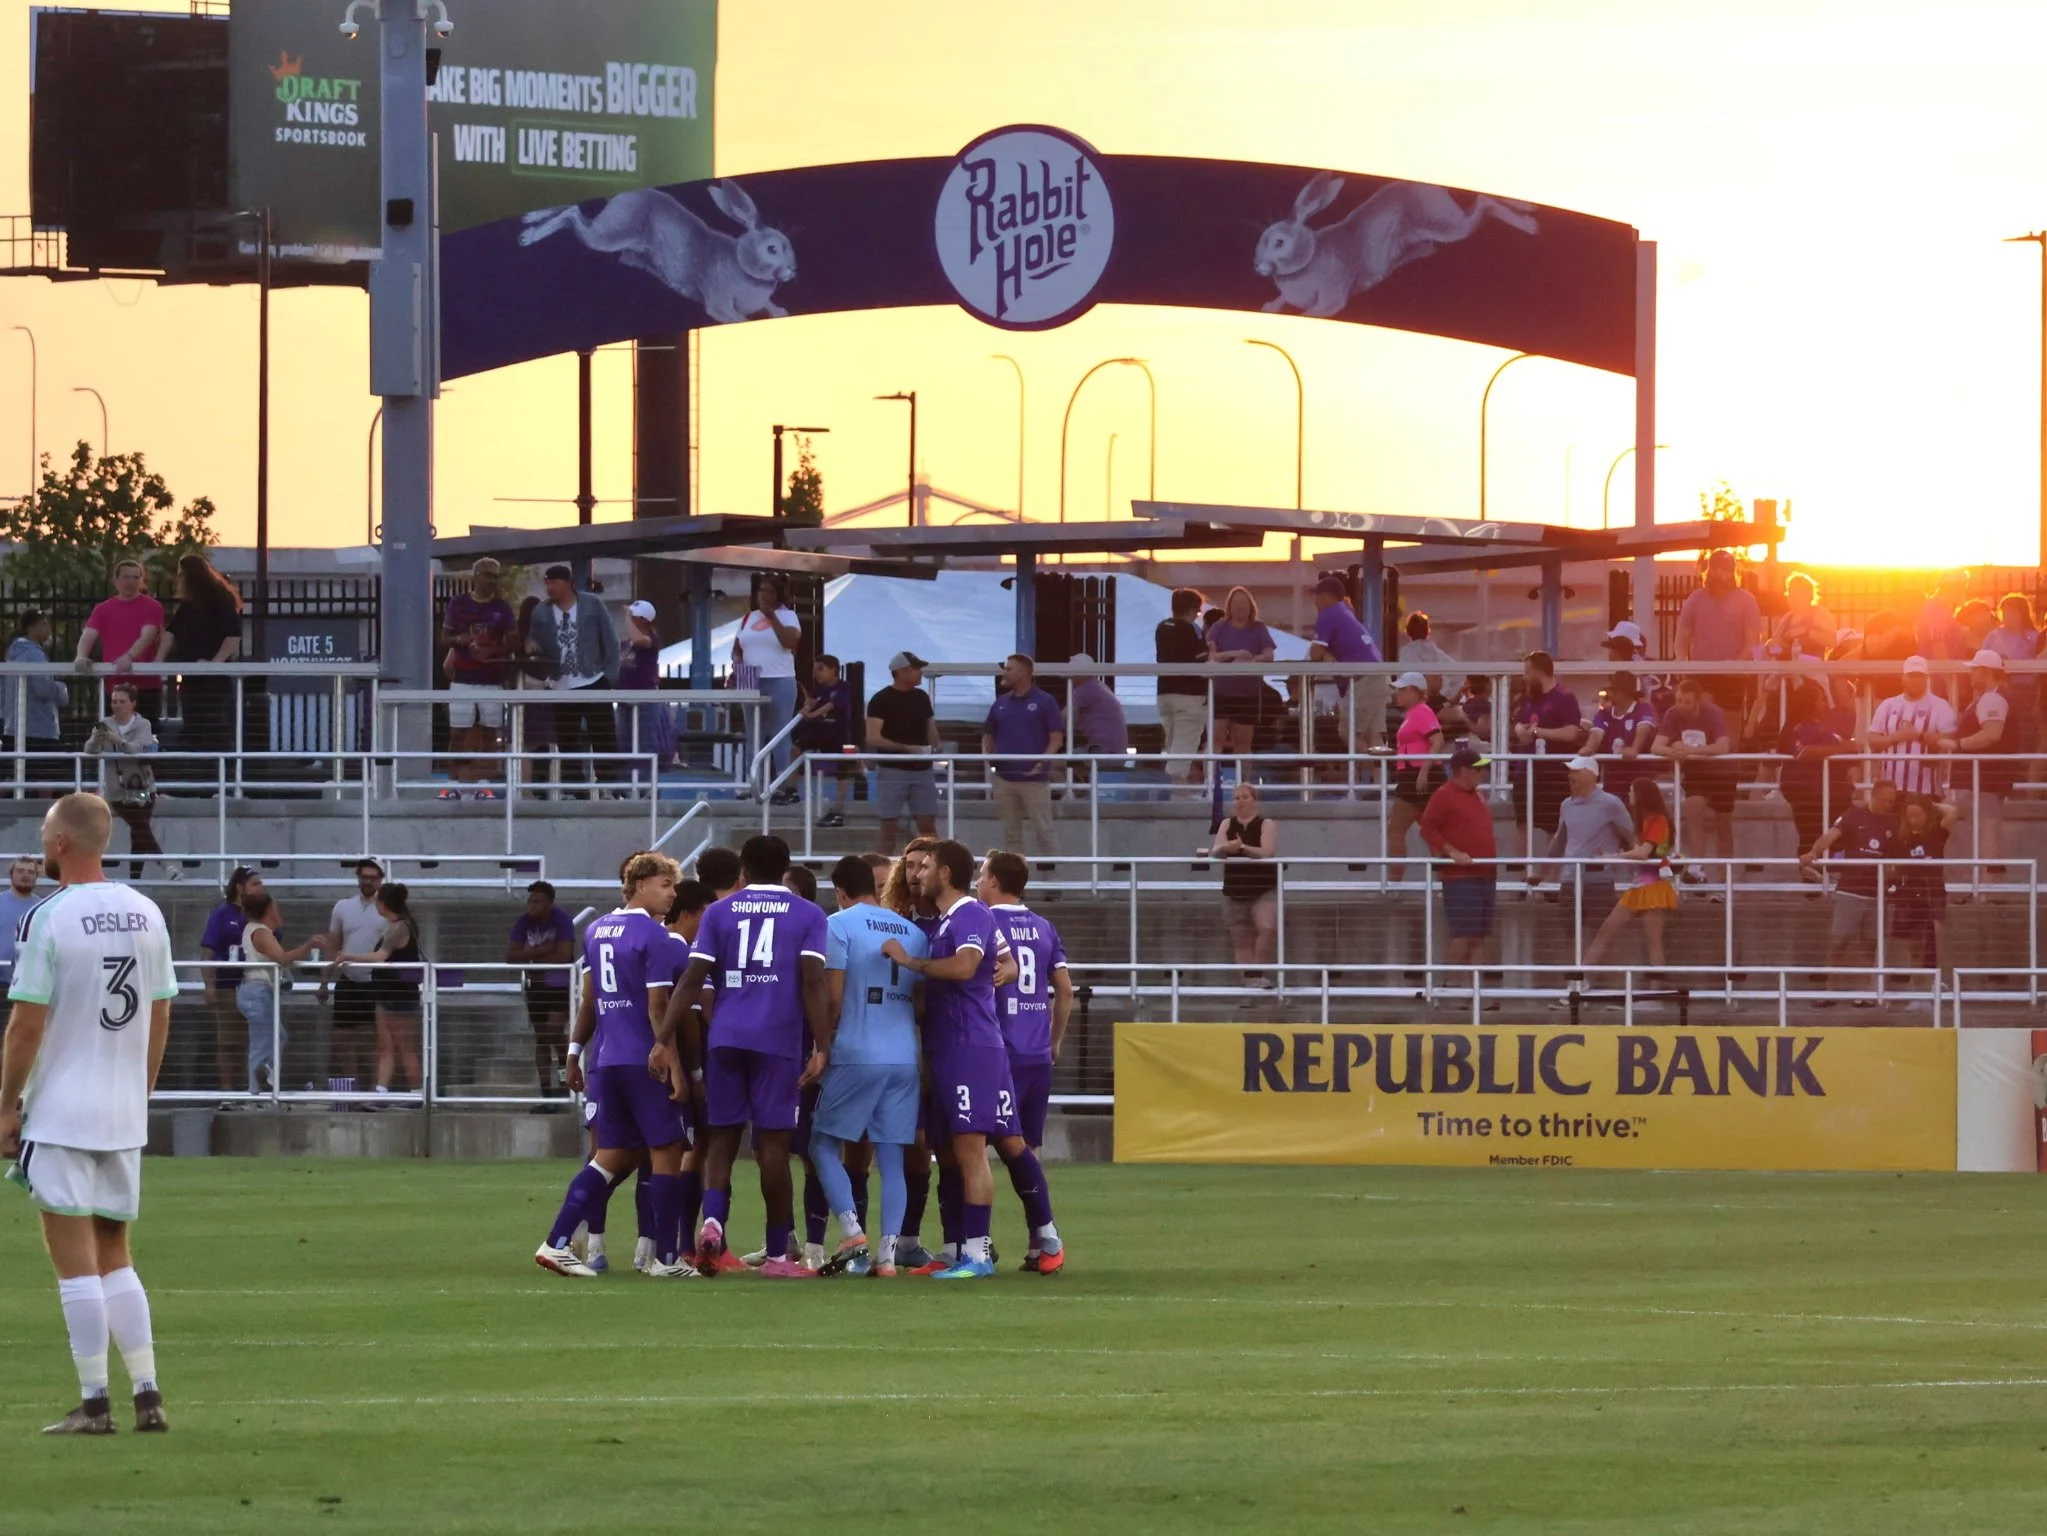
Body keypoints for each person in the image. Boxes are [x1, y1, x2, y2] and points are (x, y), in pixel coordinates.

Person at [0, 792, 178, 1435]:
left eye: (47, 834)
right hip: (122, 1107)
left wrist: (4, 1107)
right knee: (116, 1253)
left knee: (73, 1260)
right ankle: (149, 1393)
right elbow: (160, 1011)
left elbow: (25, 1025)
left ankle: (95, 1403)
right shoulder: (146, 911)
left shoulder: (49, 916)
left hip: (63, 1110)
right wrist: (142, 1089)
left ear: (62, 844)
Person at [881, 839, 1052, 1281]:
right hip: (948, 1046)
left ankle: (978, 1253)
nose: (919, 872)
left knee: (974, 1149)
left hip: (970, 1046)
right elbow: (999, 962)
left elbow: (964, 966)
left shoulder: (971, 913)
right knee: (953, 1151)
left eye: (928, 865)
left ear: (946, 873)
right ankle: (961, 1247)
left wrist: (909, 962)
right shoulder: (943, 920)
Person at [669, 835, 829, 1280]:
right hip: (777, 1041)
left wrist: (663, 1038)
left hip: (726, 1037)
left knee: (721, 1138)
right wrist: (822, 1046)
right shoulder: (809, 914)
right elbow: (813, 982)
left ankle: (714, 1222)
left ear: (743, 869)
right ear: (786, 867)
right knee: (773, 1145)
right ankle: (778, 1254)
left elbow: (692, 978)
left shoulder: (719, 911)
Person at [535, 851, 699, 1279]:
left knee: (608, 1158)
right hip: (644, 1061)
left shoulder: (596, 930)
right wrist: (675, 1066)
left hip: (606, 1060)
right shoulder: (655, 936)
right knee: (667, 1152)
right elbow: (657, 1007)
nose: (673, 894)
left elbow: (590, 1000)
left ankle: (556, 1242)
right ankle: (666, 1259)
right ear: (641, 883)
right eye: (666, 885)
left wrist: (573, 1052)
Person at [808, 855, 928, 1279]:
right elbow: (920, 1000)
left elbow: (834, 995)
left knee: (821, 1144)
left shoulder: (838, 924)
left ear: (840, 892)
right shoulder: (913, 932)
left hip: (857, 1050)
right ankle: (889, 1257)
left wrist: (822, 1046)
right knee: (892, 1156)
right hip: (903, 1054)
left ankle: (852, 1230)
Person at [977, 850, 1072, 1273]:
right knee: (1027, 1148)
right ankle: (1038, 1246)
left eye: (982, 875)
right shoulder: (1044, 926)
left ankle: (976, 1241)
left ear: (995, 881)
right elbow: (1065, 990)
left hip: (1000, 1052)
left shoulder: (983, 922)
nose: (978, 883)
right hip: (1037, 1053)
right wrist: (1054, 1040)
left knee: (975, 1146)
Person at [1528, 756, 1636, 975]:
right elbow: (1559, 841)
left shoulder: (1611, 803)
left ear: (1591, 774)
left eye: (1576, 771)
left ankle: (1610, 994)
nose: (1571, 776)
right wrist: (1541, 874)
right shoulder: (1566, 805)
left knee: (1603, 936)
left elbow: (1631, 837)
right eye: (1570, 772)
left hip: (1599, 880)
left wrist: (1636, 868)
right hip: (1569, 881)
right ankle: (1577, 986)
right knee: (1571, 936)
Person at [524, 564, 621, 797]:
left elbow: (610, 639)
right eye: (547, 582)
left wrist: (610, 676)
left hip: (593, 678)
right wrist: (531, 645)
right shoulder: (541, 611)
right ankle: (575, 787)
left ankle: (608, 785)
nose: (549, 587)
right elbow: (532, 636)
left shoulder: (592, 604)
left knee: (603, 735)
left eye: (554, 582)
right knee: (567, 738)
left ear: (569, 584)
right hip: (560, 683)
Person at [1579, 776, 1679, 990]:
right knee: (1606, 931)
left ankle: (1655, 991)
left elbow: (1643, 853)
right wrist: (1613, 855)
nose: (1629, 796)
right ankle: (1579, 981)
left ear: (1642, 795)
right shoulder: (1645, 821)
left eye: (1632, 792)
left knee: (1653, 941)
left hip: (1654, 887)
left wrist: (1613, 857)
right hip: (1637, 887)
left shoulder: (1658, 820)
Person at [153, 553, 242, 789]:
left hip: (214, 681)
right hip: (192, 679)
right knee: (194, 728)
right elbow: (171, 633)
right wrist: (159, 660)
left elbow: (233, 636)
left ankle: (223, 783)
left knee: (216, 729)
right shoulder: (188, 606)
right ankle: (200, 783)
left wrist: (215, 663)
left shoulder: (220, 600)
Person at [332, 883, 424, 1099]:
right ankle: (380, 1092)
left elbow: (380, 957)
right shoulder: (396, 925)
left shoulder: (399, 927)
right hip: (386, 993)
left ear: (384, 903)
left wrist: (349, 956)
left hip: (400, 995)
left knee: (405, 1047)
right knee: (386, 1045)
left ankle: (417, 1094)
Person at [1419, 744, 1498, 986]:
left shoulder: (1477, 795)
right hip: (1461, 877)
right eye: (1477, 770)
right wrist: (1451, 852)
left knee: (1479, 936)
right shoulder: (1443, 795)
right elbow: (1427, 829)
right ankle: (1451, 987)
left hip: (1485, 874)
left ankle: (1475, 992)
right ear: (1463, 770)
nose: (1482, 774)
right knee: (1464, 934)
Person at [439, 558, 516, 798]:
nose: (491, 581)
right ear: (475, 576)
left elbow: (514, 640)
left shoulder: (502, 607)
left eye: (495, 576)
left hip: (491, 679)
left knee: (490, 732)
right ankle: (453, 782)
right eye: (487, 575)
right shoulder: (458, 604)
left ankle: (485, 782)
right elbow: (444, 638)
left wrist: (492, 651)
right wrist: (461, 640)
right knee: (458, 733)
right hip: (462, 677)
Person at [238, 887, 326, 1095]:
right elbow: (283, 958)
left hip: (259, 991)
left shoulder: (258, 930)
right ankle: (257, 1086)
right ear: (269, 909)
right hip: (256, 992)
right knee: (263, 1040)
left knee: (277, 1036)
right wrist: (309, 945)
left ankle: (267, 1075)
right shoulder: (259, 932)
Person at [1652, 677, 1736, 893]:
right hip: (1696, 773)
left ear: (1698, 701)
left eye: (1687, 702)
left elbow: (1722, 746)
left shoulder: (1714, 713)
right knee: (1692, 808)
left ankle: (1724, 880)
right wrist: (1673, 749)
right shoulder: (1672, 714)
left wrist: (1691, 751)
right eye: (1678, 700)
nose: (1681, 705)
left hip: (1722, 773)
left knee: (1723, 824)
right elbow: (1656, 746)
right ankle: (1698, 867)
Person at [1935, 649, 2017, 869]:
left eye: (1974, 670)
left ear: (1987, 672)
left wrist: (1957, 744)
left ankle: (1988, 891)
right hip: (1979, 782)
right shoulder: (1988, 697)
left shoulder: (1993, 698)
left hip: (1984, 781)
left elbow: (1992, 734)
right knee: (1983, 832)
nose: (1970, 674)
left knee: (1986, 833)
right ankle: (1984, 888)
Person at [982, 654, 1064, 857]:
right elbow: (988, 732)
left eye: (1009, 669)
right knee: (1011, 835)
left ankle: (1056, 884)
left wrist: (1042, 761)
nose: (1005, 673)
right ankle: (1015, 884)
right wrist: (987, 755)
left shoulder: (1045, 701)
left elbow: (1056, 738)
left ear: (1024, 672)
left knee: (1045, 832)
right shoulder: (1000, 703)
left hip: (1034, 780)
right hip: (1004, 779)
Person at [84, 684, 165, 883]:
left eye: (122, 701)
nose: (117, 706)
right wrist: (96, 739)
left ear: (132, 703)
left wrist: (116, 740)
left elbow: (136, 749)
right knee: (140, 826)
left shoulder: (143, 724)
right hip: (117, 789)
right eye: (114, 701)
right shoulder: (106, 722)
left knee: (139, 831)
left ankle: (134, 879)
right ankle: (165, 865)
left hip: (142, 785)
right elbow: (90, 750)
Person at [734, 574, 804, 800]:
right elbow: (739, 646)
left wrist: (772, 616)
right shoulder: (748, 618)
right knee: (754, 734)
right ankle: (754, 782)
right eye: (761, 590)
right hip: (750, 678)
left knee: (779, 733)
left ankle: (782, 783)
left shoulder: (788, 616)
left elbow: (790, 642)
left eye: (770, 592)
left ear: (779, 595)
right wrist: (737, 663)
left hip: (779, 678)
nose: (764, 595)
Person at [1775, 679, 1859, 862]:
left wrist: (1848, 748)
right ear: (1809, 702)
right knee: (1809, 838)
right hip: (1807, 795)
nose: (1825, 704)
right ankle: (1810, 884)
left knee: (1838, 839)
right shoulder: (1793, 727)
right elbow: (1804, 752)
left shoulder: (1826, 728)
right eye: (1821, 699)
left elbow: (1851, 748)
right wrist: (1841, 748)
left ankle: (1833, 880)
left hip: (1836, 795)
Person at [1675, 549, 1761, 723]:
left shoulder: (1746, 600)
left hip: (1733, 677)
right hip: (1701, 674)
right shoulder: (1696, 598)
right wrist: (1682, 661)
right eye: (1720, 569)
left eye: (1729, 569)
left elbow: (1752, 642)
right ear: (1710, 570)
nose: (1724, 574)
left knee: (1729, 728)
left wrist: (1736, 666)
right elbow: (1682, 635)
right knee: (1701, 722)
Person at [508, 879, 575, 1102]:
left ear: (549, 903)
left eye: (537, 901)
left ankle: (566, 1082)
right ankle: (546, 1092)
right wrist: (543, 950)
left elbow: (563, 956)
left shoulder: (562, 920)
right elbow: (510, 955)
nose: (531, 905)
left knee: (555, 1032)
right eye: (530, 901)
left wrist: (530, 954)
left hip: (559, 985)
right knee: (542, 1038)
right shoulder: (524, 922)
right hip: (535, 986)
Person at [1508, 651, 1583, 848]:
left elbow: (1571, 733)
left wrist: (1539, 732)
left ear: (1538, 672)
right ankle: (1524, 873)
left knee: (1554, 828)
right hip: (1525, 772)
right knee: (1522, 824)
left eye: (1527, 672)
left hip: (1552, 774)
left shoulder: (1564, 698)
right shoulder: (1528, 699)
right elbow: (1520, 724)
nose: (1524, 677)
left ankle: (1550, 875)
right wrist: (1519, 730)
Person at [866, 651, 939, 854]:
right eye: (916, 669)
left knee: (928, 825)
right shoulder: (881, 699)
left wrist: (934, 748)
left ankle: (933, 868)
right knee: (889, 826)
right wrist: (905, 748)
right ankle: (883, 873)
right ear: (902, 671)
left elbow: (931, 727)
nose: (920, 674)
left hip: (922, 769)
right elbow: (872, 737)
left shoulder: (921, 698)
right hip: (892, 770)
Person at [324, 859, 388, 1090]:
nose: (368, 881)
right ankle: (351, 1091)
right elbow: (333, 944)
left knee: (371, 1042)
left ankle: (372, 1092)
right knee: (342, 1041)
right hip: (348, 980)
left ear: (381, 879)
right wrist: (325, 981)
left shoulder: (388, 910)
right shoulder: (343, 906)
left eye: (373, 877)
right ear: (358, 878)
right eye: (364, 877)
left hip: (375, 982)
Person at [74, 560, 165, 722]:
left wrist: (128, 656)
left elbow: (148, 635)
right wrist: (81, 656)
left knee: (147, 735)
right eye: (126, 577)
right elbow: (88, 634)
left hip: (146, 684)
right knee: (114, 735)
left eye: (136, 577)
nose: (131, 582)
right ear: (116, 581)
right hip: (115, 685)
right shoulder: (103, 609)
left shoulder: (153, 606)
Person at [1211, 780, 1278, 997]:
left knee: (1266, 928)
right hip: (1235, 887)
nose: (1240, 802)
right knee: (1240, 937)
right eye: (1237, 798)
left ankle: (1256, 972)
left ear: (1255, 801)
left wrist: (1242, 847)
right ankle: (1249, 983)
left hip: (1262, 886)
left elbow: (1266, 852)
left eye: (1245, 797)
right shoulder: (1226, 824)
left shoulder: (1266, 823)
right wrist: (1226, 848)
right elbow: (1216, 851)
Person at [199, 866, 259, 1098]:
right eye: (255, 884)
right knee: (228, 1041)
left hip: (257, 987)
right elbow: (207, 951)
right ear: (240, 887)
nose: (260, 888)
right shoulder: (221, 915)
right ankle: (228, 1092)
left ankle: (253, 1090)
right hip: (228, 987)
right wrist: (209, 985)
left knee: (257, 1041)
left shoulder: (260, 914)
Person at [1307, 574, 1384, 752]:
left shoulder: (1328, 613)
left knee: (1347, 731)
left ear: (1326, 597)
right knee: (1373, 736)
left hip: (1363, 678)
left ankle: (1378, 771)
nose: (1314, 601)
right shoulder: (1345, 611)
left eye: (1316, 596)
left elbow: (1314, 654)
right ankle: (1383, 779)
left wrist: (1326, 653)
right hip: (1378, 674)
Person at [1868, 656, 1957, 798]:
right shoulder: (1888, 705)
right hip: (1891, 791)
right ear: (1903, 678)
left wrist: (1920, 736)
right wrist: (1896, 737)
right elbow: (1872, 739)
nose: (1916, 680)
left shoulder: (1940, 706)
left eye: (1919, 676)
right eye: (1912, 676)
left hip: (1928, 789)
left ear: (1926, 678)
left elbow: (1950, 738)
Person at [1889, 794, 1957, 978]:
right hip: (1910, 888)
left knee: (1936, 932)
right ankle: (1916, 978)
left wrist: (1929, 804)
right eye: (1909, 816)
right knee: (1915, 939)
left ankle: (1936, 975)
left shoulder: (1937, 831)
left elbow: (1952, 812)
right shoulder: (1901, 835)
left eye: (1917, 815)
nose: (1912, 820)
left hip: (1932, 887)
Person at [1206, 586, 1277, 757]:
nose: (1240, 608)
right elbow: (1211, 654)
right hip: (1220, 692)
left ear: (1251, 606)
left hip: (1248, 694)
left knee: (1243, 744)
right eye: (1236, 604)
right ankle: (1212, 781)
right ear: (1229, 607)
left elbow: (1269, 654)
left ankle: (1243, 781)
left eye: (1244, 604)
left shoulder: (1259, 627)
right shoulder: (1219, 627)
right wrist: (1234, 654)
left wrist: (1250, 660)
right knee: (1215, 740)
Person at [1385, 671, 1443, 884]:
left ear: (1416, 692)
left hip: (1417, 778)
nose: (1398, 694)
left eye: (1403, 690)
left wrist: (1424, 771)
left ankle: (1394, 881)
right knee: (1430, 831)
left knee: (1395, 829)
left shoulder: (1422, 712)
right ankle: (1445, 880)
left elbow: (1438, 740)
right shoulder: (1412, 714)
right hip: (1413, 775)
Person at [4, 611, 70, 789]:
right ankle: (43, 815)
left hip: (13, 726)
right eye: (43, 625)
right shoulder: (35, 655)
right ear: (31, 628)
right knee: (45, 778)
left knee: (11, 776)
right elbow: (43, 688)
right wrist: (61, 689)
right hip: (39, 728)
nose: (48, 629)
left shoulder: (13, 655)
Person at [616, 599, 675, 789]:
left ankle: (644, 786)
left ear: (643, 619)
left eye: (634, 617)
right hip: (625, 699)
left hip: (646, 699)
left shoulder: (652, 639)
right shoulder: (625, 644)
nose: (630, 620)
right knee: (624, 742)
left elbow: (641, 640)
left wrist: (627, 618)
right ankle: (625, 786)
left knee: (645, 742)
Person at [1154, 587, 1209, 787]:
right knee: (1185, 744)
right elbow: (1203, 660)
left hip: (1164, 692)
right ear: (1192, 609)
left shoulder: (1162, 627)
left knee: (1172, 742)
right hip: (1189, 694)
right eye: (1198, 611)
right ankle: (1178, 790)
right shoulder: (1191, 629)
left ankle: (1176, 787)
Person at [795, 653, 855, 827]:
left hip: (839, 734)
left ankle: (839, 806)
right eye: (815, 669)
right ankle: (792, 789)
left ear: (833, 669)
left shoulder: (843, 687)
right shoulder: (818, 690)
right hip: (820, 733)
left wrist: (811, 714)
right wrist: (806, 707)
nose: (817, 673)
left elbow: (831, 705)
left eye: (820, 669)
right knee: (796, 748)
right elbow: (812, 702)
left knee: (842, 769)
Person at [1584, 670, 1657, 801]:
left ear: (1626, 692)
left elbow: (1643, 730)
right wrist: (1589, 748)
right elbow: (1596, 733)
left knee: (1638, 816)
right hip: (1613, 781)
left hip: (1640, 779)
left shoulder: (1643, 709)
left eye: (1614, 690)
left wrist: (1635, 748)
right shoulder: (1604, 713)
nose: (1610, 693)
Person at [1986, 593, 2042, 756]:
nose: (2008, 615)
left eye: (2013, 611)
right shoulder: (1993, 636)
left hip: (2028, 692)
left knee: (2026, 733)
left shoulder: (2034, 637)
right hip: (2000, 691)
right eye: (2005, 611)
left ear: (2022, 613)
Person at [0, 855, 44, 1021]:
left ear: (36, 878)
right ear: (11, 874)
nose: (25, 875)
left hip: (31, 987)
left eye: (30, 872)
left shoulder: (43, 908)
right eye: (20, 871)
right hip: (2, 984)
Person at [1065, 654, 1129, 761]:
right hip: (1116, 752)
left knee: (1054, 763)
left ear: (1079, 674)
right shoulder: (1098, 686)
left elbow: (1065, 720)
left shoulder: (1083, 690)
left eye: (1071, 675)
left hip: (1103, 753)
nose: (1070, 678)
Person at [1398, 611, 1459, 698]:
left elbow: (1403, 681)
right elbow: (1457, 673)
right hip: (1436, 701)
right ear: (1427, 631)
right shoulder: (1436, 652)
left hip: (1416, 700)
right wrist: (1447, 694)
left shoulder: (1406, 652)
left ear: (1408, 631)